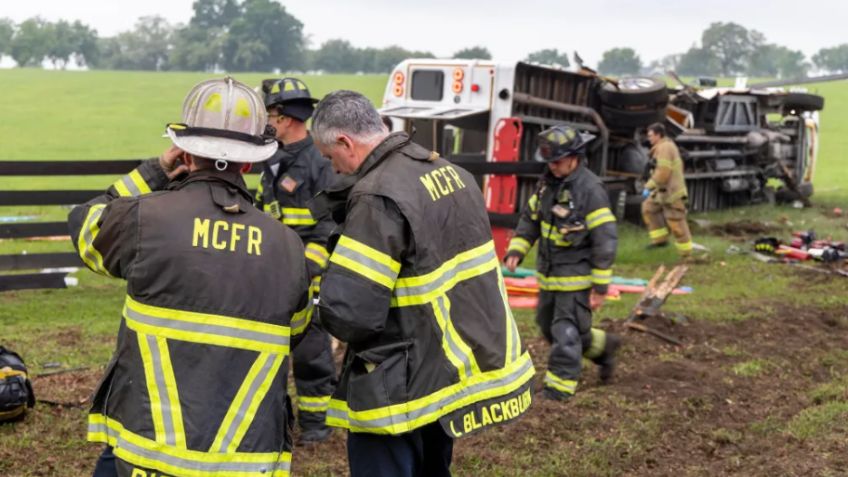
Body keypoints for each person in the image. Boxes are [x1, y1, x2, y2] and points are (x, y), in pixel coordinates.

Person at [70, 77, 312, 477]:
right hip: (246, 460)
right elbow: (298, 329)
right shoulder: (288, 247)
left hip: (150, 453)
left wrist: (155, 171)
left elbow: (86, 226)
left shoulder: (146, 219)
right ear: (250, 162)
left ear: (184, 151)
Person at [311, 91, 535, 477]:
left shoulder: (376, 196)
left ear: (346, 142)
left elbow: (352, 315)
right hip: (446, 368)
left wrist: (317, 301)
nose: (337, 170)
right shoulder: (450, 172)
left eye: (332, 158)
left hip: (399, 380)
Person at [504, 125, 620, 402]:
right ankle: (605, 348)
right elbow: (531, 219)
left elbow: (606, 239)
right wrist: (516, 250)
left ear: (574, 157)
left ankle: (559, 390)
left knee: (565, 331)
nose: (552, 166)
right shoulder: (547, 185)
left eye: (556, 161)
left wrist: (601, 286)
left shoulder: (590, 190)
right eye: (549, 162)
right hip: (549, 276)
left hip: (576, 278)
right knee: (548, 326)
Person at [257, 77, 337, 444]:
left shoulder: (320, 162)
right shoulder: (269, 158)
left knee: (310, 353)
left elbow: (329, 224)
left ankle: (316, 425)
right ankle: (274, 420)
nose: (267, 120)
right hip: (271, 272)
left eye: (271, 113)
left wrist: (307, 269)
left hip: (309, 275)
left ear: (287, 117)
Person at [641, 122, 693, 257]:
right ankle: (660, 241)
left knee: (675, 222)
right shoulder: (661, 147)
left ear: (659, 135)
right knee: (649, 208)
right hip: (661, 191)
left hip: (672, 192)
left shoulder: (665, 148)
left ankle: (686, 253)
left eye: (651, 136)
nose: (649, 139)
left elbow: (663, 172)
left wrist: (648, 186)